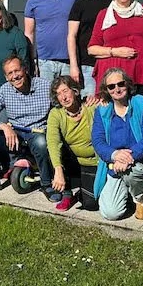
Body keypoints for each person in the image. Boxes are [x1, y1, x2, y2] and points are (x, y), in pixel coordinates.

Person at [0, 54, 54, 200]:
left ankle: (47, 184)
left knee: (41, 142)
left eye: (17, 71)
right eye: (10, 73)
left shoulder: (44, 85)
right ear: (6, 77)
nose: (15, 76)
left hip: (37, 132)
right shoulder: (5, 89)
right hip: (14, 135)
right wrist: (3, 126)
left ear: (25, 70)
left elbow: (60, 107)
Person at [91, 67, 143, 221]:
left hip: (138, 162)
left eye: (120, 84)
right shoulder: (102, 110)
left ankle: (141, 195)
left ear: (127, 84)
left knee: (134, 171)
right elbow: (98, 140)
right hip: (113, 165)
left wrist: (128, 157)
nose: (117, 89)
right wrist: (115, 155)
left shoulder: (142, 104)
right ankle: (127, 193)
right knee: (111, 213)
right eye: (111, 86)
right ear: (106, 90)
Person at [46, 75, 98, 211]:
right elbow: (53, 141)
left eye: (65, 91)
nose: (63, 97)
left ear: (75, 91)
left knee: (91, 204)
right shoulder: (56, 114)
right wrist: (58, 170)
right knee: (53, 150)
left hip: (92, 162)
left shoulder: (91, 107)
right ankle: (67, 194)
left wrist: (101, 99)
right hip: (71, 161)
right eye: (58, 94)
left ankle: (82, 192)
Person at [24, 0, 80, 80]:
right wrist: (32, 60)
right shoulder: (33, 1)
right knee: (46, 97)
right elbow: (29, 33)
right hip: (44, 62)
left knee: (68, 97)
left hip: (69, 60)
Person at [67, 0, 111, 98]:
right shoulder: (80, 4)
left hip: (110, 61)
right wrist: (74, 66)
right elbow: (71, 36)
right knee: (90, 106)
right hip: (87, 65)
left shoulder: (114, 1)